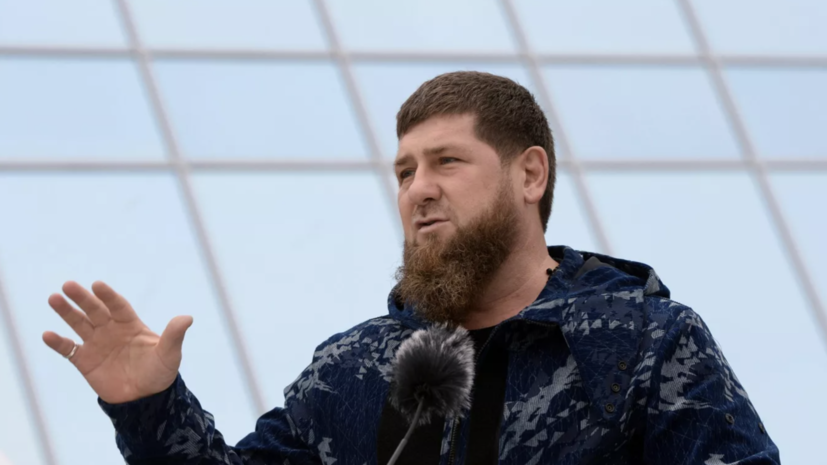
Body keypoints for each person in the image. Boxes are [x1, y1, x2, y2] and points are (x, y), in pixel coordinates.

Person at [42, 71, 779, 464]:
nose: (417, 189)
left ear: (530, 174)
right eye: (403, 171)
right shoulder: (350, 368)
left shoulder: (646, 343)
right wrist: (149, 405)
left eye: (446, 161)